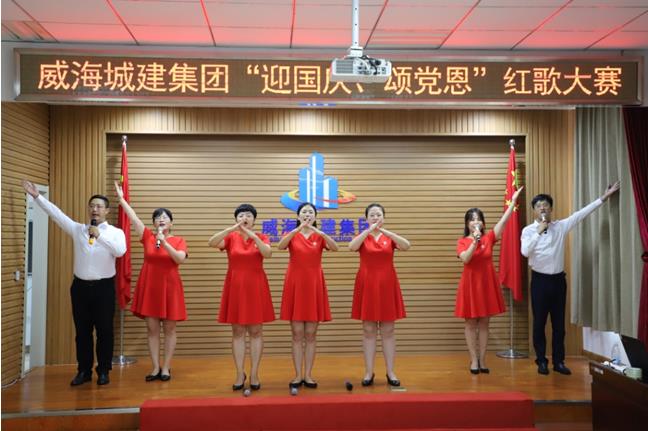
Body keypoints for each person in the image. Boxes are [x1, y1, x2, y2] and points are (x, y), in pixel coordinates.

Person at [22, 180, 126, 386]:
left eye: (99, 206)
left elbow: (120, 251)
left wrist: (100, 236)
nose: (94, 209)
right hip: (80, 289)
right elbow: (56, 214)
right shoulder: (78, 229)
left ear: (106, 211)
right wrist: (37, 196)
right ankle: (84, 371)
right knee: (82, 332)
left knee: (105, 331)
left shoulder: (115, 233)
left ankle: (103, 371)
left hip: (104, 288)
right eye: (92, 206)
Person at [521, 181, 620, 375]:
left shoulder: (561, 226)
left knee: (559, 325)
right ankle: (541, 361)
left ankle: (559, 362)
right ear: (534, 210)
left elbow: (581, 214)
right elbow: (525, 252)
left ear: (551, 209)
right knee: (539, 324)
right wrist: (538, 232)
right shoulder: (528, 231)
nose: (543, 208)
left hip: (558, 282)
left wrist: (604, 197)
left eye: (546, 205)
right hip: (539, 282)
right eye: (539, 206)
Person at [114, 181, 187, 382]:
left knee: (170, 330)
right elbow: (133, 218)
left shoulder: (178, 240)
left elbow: (179, 259)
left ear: (171, 223)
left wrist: (164, 242)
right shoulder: (147, 236)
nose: (161, 219)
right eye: (157, 217)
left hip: (170, 288)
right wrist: (121, 199)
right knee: (152, 330)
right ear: (154, 223)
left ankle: (166, 368)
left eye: (165, 217)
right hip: (150, 288)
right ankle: (155, 367)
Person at [455, 187, 524, 374]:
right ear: (467, 223)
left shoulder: (490, 237)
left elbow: (504, 220)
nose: (475, 222)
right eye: (472, 219)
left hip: (486, 284)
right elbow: (466, 259)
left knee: (485, 323)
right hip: (470, 285)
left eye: (478, 219)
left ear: (483, 223)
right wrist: (475, 241)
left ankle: (483, 360)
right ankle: (473, 360)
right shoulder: (462, 241)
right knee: (471, 323)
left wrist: (513, 201)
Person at [208, 204, 275, 391]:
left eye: (248, 215)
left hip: (256, 286)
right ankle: (239, 373)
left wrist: (253, 236)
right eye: (241, 215)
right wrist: (231, 229)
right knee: (237, 332)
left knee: (256, 331)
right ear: (236, 219)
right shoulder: (231, 237)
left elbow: (268, 253)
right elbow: (212, 242)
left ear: (254, 219)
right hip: (235, 286)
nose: (245, 218)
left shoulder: (262, 237)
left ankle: (254, 373)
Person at [278, 202, 339, 389]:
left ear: (315, 216)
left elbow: (335, 248)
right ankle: (297, 375)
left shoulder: (319, 236)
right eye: (303, 212)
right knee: (297, 334)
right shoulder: (292, 234)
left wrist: (319, 232)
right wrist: (297, 230)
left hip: (314, 285)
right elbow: (280, 246)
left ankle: (308, 375)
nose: (307, 214)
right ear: (298, 216)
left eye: (310, 212)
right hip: (295, 284)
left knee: (311, 334)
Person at [349, 203, 410, 387]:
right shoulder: (363, 236)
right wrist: (368, 231)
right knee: (368, 330)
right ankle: (369, 372)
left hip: (387, 285)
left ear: (384, 217)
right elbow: (352, 247)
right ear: (366, 218)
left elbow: (406, 245)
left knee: (388, 331)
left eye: (378, 215)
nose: (375, 218)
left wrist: (386, 232)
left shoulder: (389, 237)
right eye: (372, 215)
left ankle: (391, 372)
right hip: (367, 285)